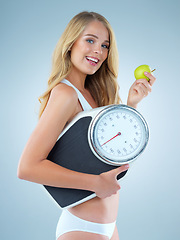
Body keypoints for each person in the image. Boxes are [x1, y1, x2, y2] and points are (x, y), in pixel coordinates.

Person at [17, 11, 156, 240]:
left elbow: (114, 156)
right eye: (90, 40)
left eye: (104, 45)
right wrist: (95, 183)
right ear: (71, 44)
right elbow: (28, 167)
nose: (98, 51)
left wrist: (132, 105)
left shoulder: (93, 94)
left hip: (109, 227)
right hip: (82, 228)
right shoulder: (65, 94)